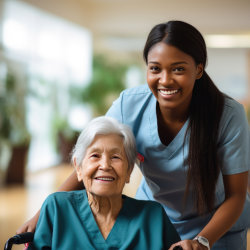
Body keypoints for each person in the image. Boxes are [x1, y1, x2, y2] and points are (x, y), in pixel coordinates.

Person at [18, 20, 250, 250]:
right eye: (155, 68)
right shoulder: (129, 105)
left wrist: (202, 241)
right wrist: (42, 215)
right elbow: (92, 162)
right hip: (154, 222)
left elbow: (237, 195)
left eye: (178, 69)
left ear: (198, 69)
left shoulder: (228, 115)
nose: (165, 80)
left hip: (216, 229)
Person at [27, 116, 180, 249]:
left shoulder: (153, 217)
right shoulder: (56, 208)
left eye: (115, 157)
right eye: (95, 155)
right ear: (78, 168)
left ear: (129, 171)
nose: (105, 165)